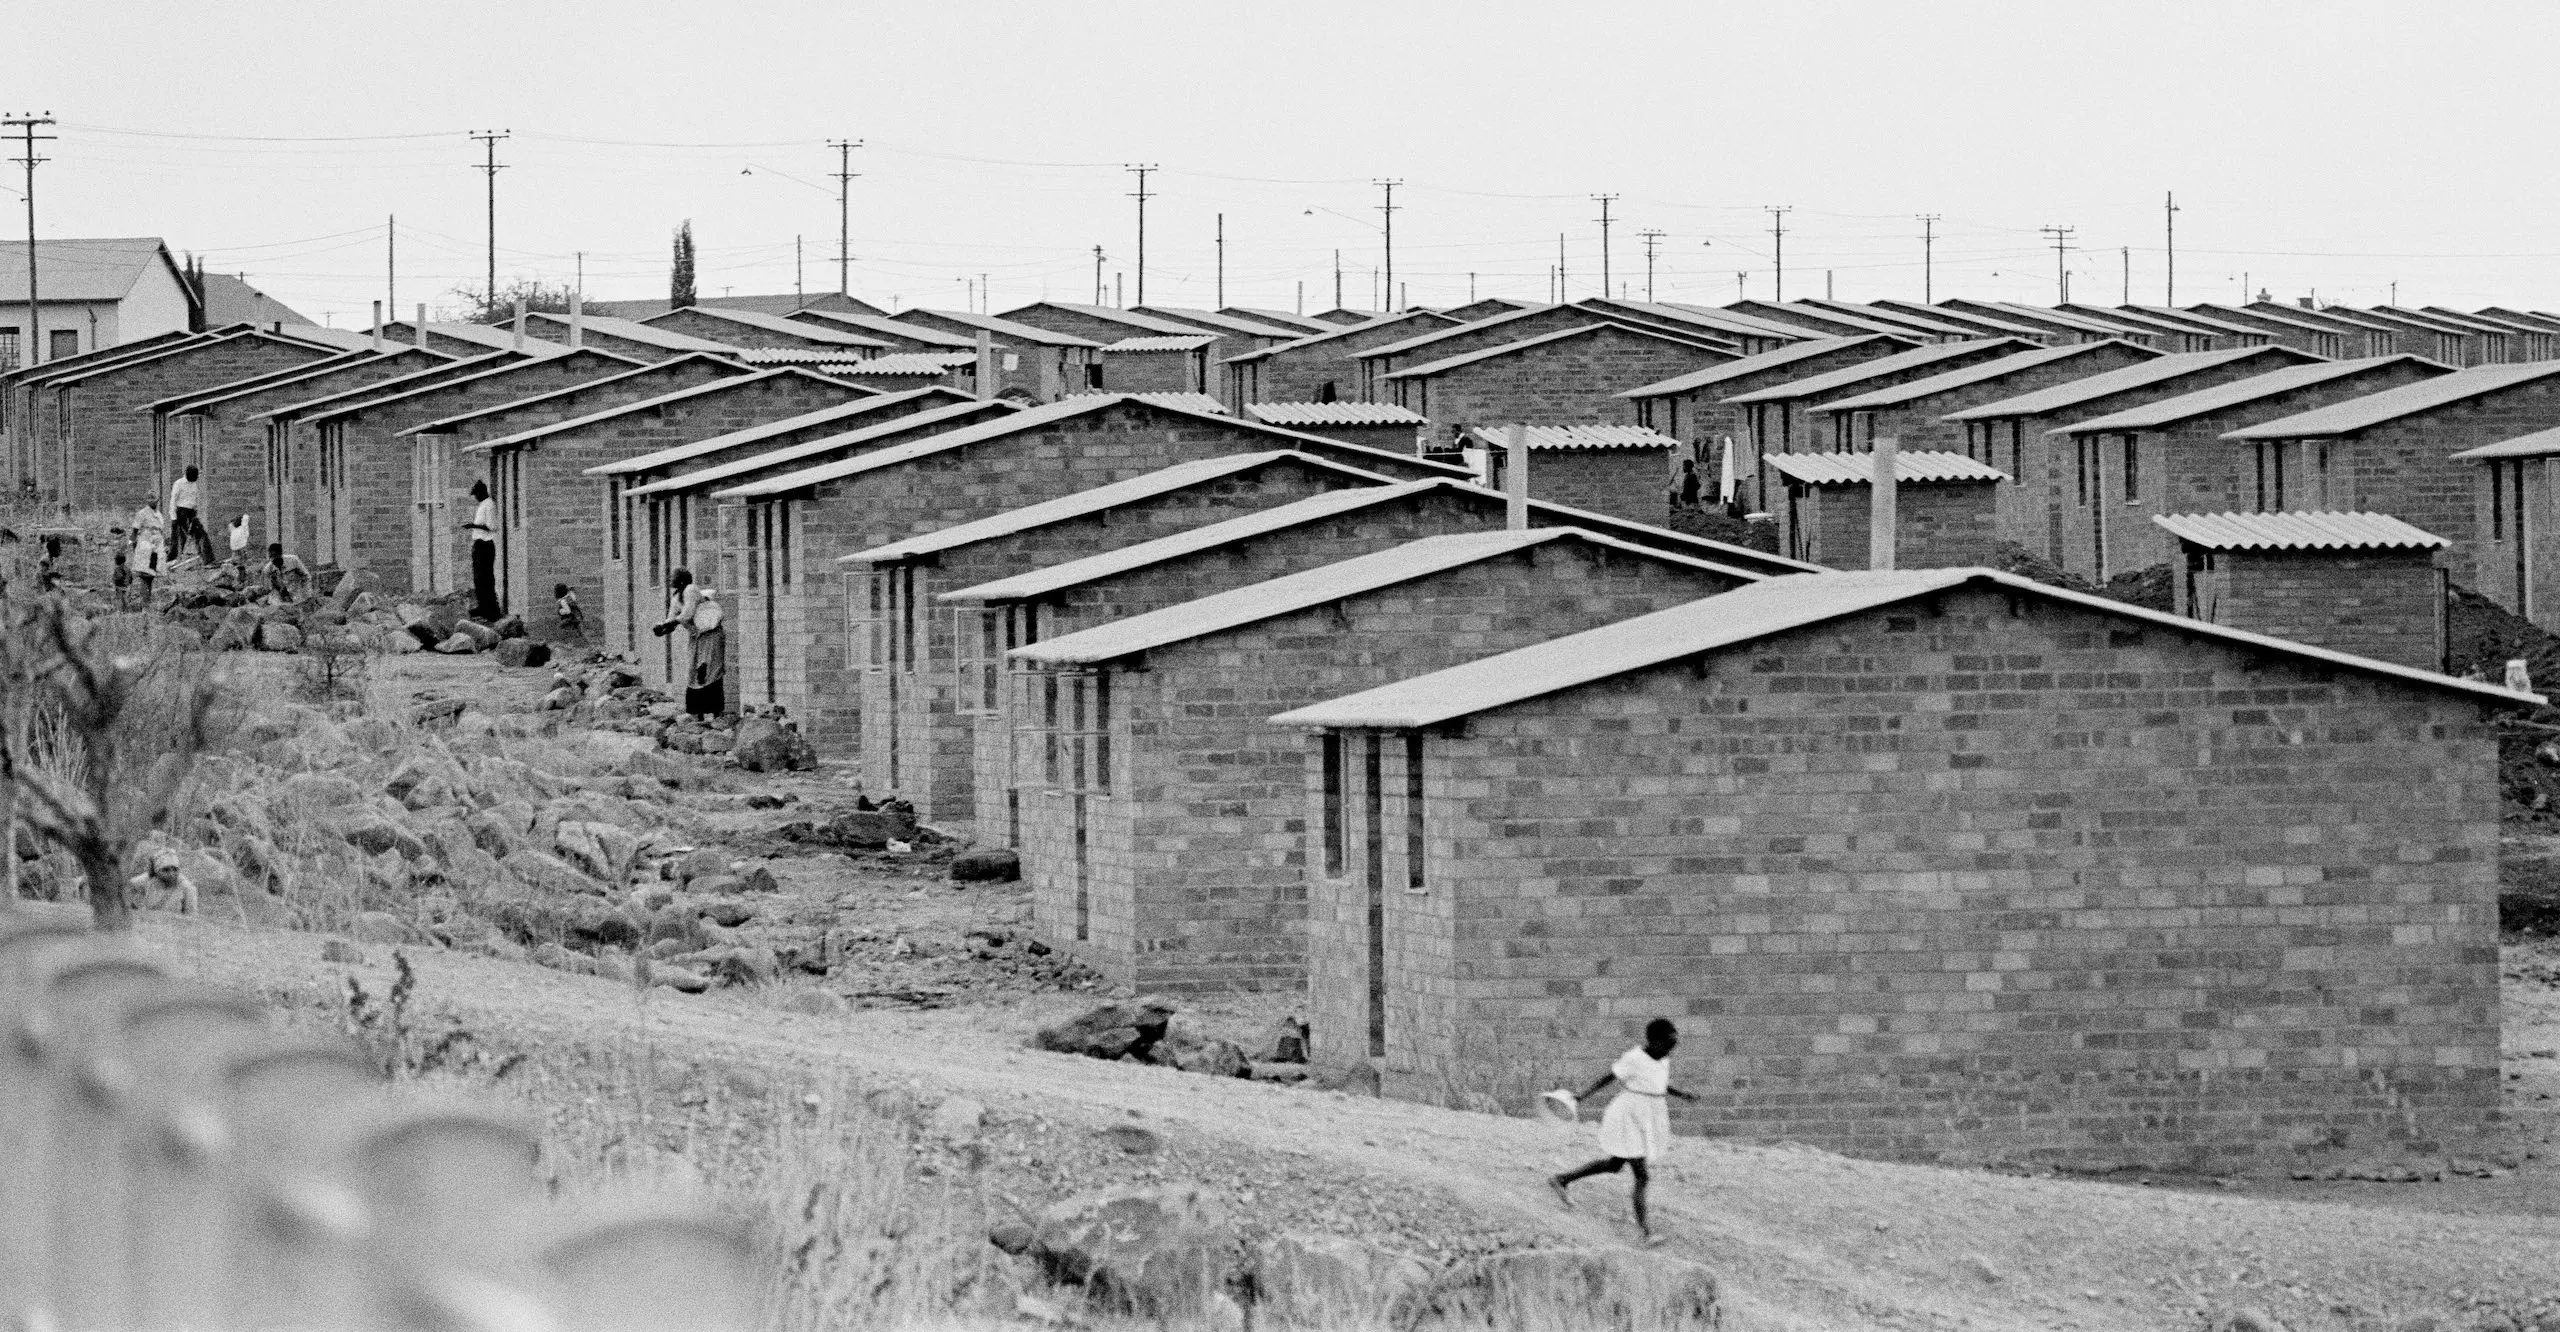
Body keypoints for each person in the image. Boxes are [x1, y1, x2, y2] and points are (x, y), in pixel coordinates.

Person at [1548, 1017, 1699, 1246]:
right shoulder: (1634, 1058)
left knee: (1614, 1164)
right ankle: (1645, 1232)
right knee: (1642, 1175)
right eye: (1668, 1044)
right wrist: (1582, 1096)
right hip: (1627, 1117)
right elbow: (1609, 1077)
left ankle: (1561, 1179)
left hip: (1644, 1117)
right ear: (1654, 1041)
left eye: (1673, 1045)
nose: (1671, 1049)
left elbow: (1657, 1083)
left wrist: (1681, 1094)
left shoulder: (1662, 1058)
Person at [652, 569, 726, 719]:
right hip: (696, 636)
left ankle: (716, 712)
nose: (670, 580)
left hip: (711, 634)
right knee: (694, 672)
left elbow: (688, 613)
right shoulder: (676, 598)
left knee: (712, 670)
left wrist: (670, 623)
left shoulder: (691, 590)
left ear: (681, 580)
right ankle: (697, 713)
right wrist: (663, 628)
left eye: (673, 577)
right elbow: (672, 619)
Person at [463, 479, 501, 622]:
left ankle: (490, 609)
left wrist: (473, 525)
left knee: (485, 578)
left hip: (485, 544)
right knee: (479, 578)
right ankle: (483, 606)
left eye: (476, 494)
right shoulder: (482, 505)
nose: (476, 497)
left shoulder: (489, 504)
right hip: (479, 543)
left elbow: (491, 526)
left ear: (481, 492)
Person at [125, 848, 199, 915]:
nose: (171, 874)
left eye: (175, 869)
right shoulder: (142, 882)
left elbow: (191, 917)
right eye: (166, 870)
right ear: (156, 871)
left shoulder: (187, 888)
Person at [168, 465, 215, 565]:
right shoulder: (178, 483)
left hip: (191, 513)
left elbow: (196, 499)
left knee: (201, 534)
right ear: (187, 475)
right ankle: (171, 561)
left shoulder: (194, 483)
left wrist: (196, 511)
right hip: (180, 512)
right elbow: (173, 501)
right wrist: (174, 518)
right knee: (179, 538)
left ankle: (208, 560)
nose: (195, 479)